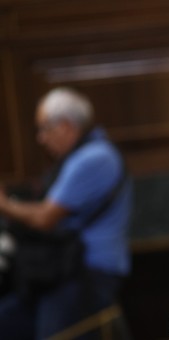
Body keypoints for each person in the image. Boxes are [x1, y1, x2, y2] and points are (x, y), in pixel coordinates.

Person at [0, 87, 132, 339]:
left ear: (65, 126)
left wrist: (4, 205)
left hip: (87, 274)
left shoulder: (93, 158)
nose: (41, 138)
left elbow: (44, 218)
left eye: (44, 128)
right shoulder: (80, 157)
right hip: (61, 271)